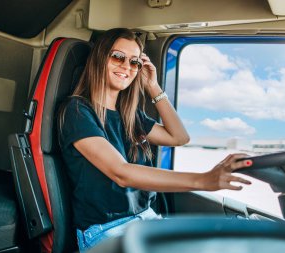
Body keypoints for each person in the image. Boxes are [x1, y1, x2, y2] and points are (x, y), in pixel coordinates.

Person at [58, 28, 252, 252]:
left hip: (146, 220)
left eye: (134, 62)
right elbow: (121, 173)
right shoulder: (77, 111)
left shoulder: (130, 115)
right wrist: (203, 180)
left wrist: (152, 86)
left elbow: (179, 137)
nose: (127, 67)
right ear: (100, 58)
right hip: (106, 231)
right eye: (118, 57)